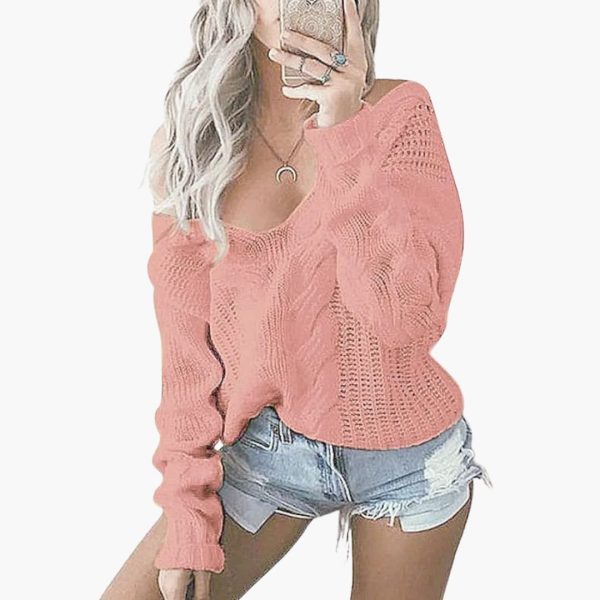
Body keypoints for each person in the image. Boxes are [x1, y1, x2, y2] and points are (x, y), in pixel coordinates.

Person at [101, 1, 492, 598]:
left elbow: (407, 321)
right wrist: (187, 515)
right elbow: (186, 363)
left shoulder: (399, 113)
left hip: (409, 459)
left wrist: (344, 130)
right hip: (270, 451)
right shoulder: (194, 148)